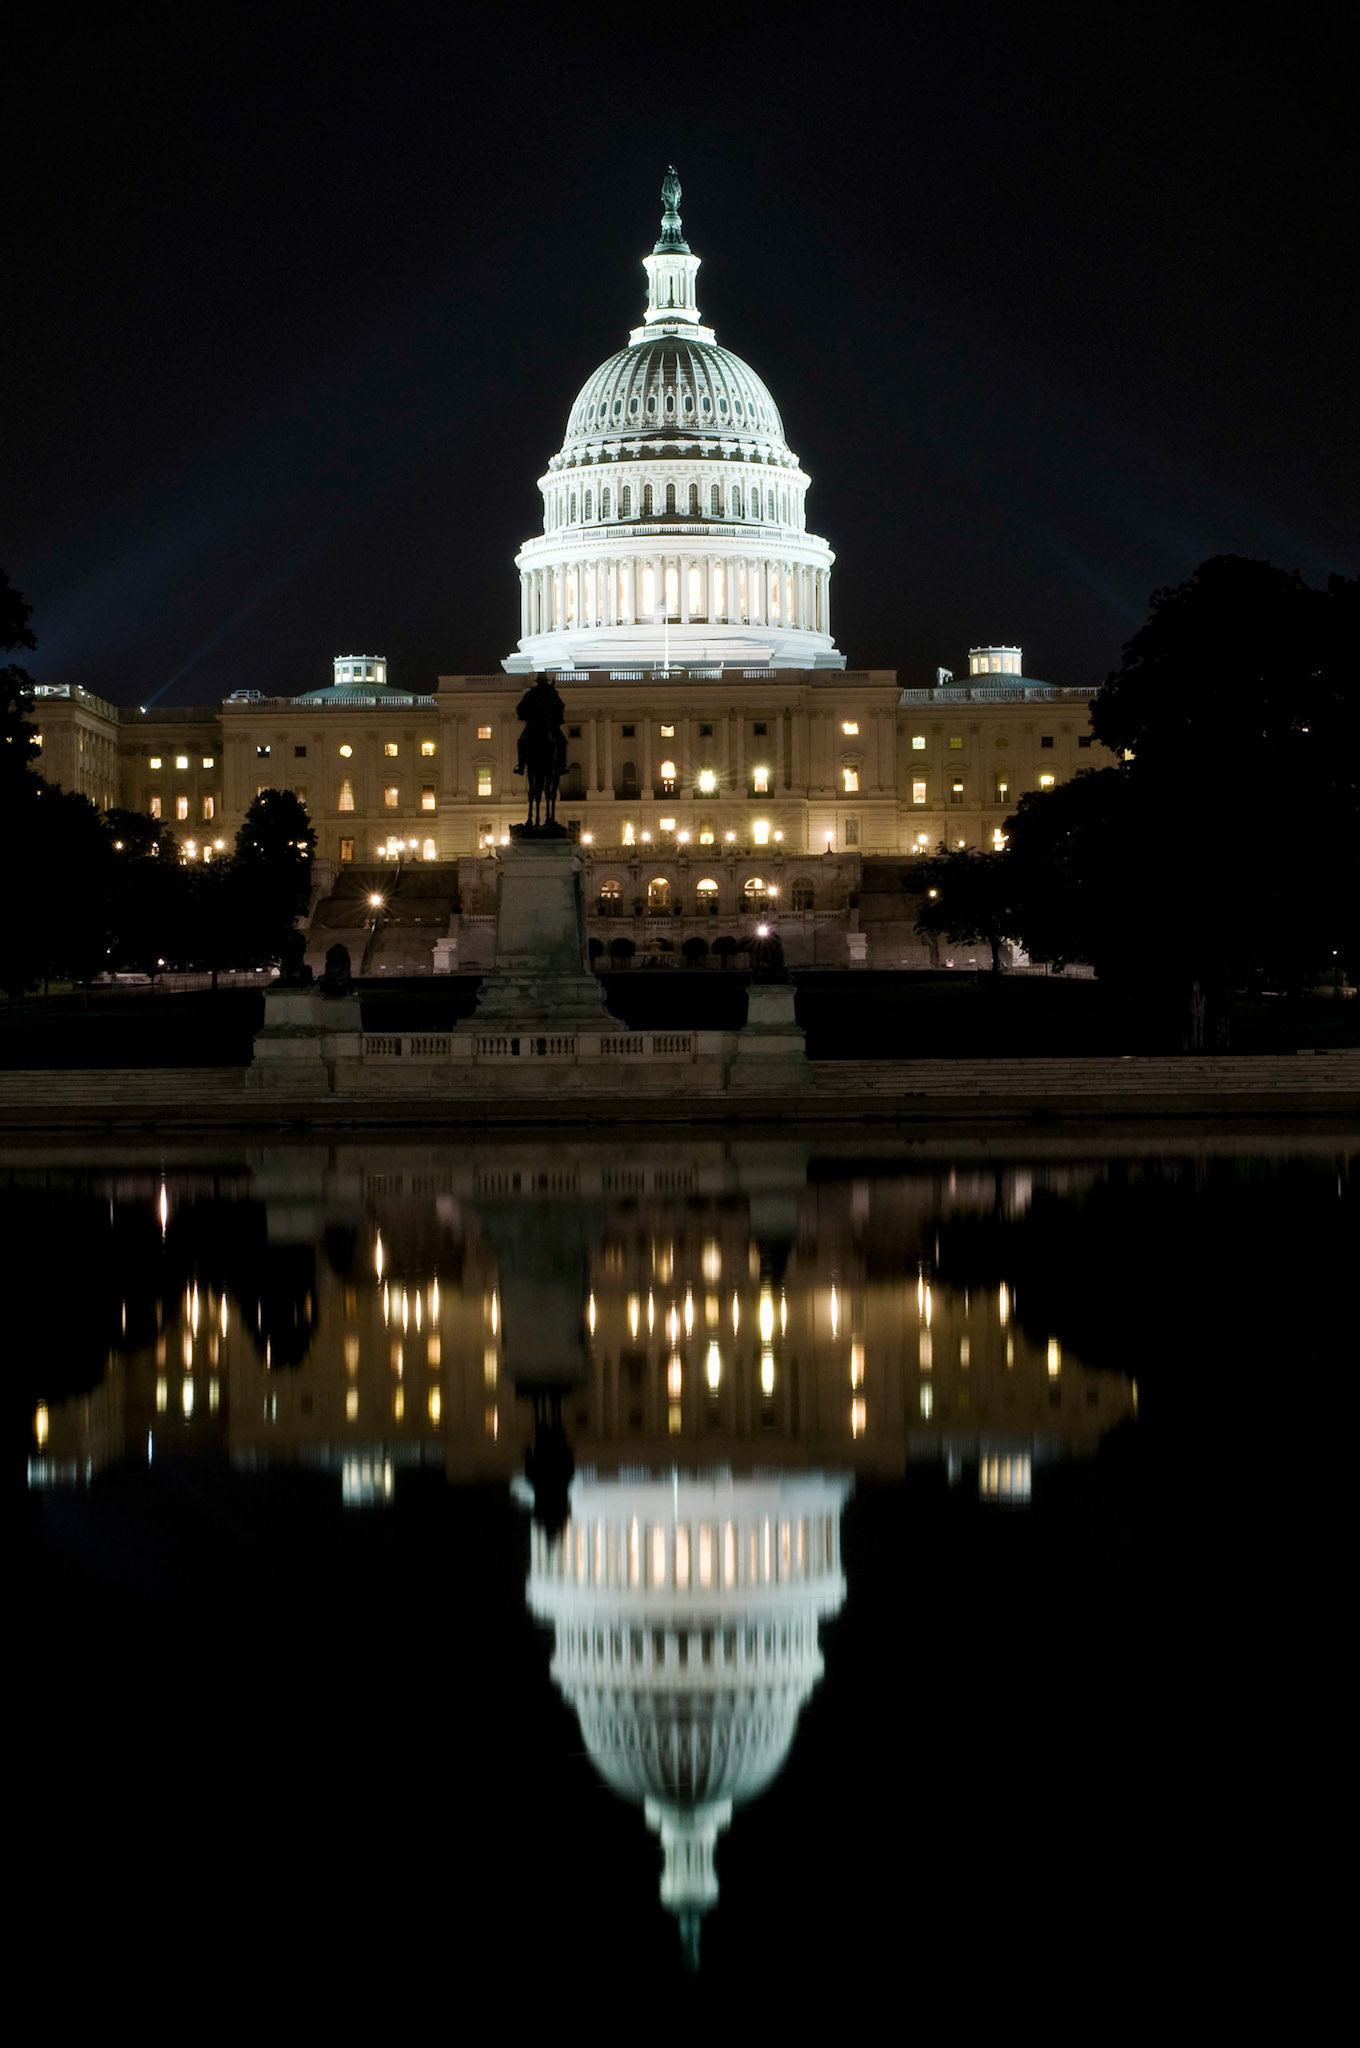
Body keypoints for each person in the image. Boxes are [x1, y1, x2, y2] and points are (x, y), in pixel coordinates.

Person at [514, 675, 567, 777]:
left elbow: (560, 706)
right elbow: (520, 708)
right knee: (521, 743)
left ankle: (562, 765)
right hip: (536, 724)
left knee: (562, 742)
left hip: (546, 724)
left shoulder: (549, 693)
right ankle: (521, 765)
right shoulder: (532, 694)